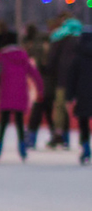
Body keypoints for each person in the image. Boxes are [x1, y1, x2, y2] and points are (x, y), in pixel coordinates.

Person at [0, 38, 42, 163]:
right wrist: (40, 89)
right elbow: (35, 74)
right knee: (20, 123)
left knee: (3, 124)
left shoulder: (1, 57)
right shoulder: (23, 57)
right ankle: (22, 149)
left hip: (5, 95)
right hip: (21, 95)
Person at [34, 16, 82, 150]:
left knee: (61, 108)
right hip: (82, 80)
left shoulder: (59, 38)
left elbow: (52, 61)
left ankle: (60, 135)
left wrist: (43, 68)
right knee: (82, 108)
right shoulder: (83, 39)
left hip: (63, 80)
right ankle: (82, 139)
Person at [63, 27, 92, 165]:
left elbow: (71, 80)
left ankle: (85, 146)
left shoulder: (77, 59)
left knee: (84, 122)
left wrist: (69, 97)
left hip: (83, 96)